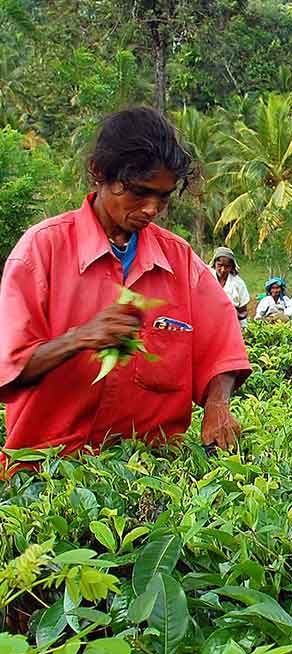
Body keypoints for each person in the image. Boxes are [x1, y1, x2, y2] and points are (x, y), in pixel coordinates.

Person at [0, 107, 251, 456]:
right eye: (138, 192)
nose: (151, 209)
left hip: (148, 475)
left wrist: (218, 404)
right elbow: (7, 368)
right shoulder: (41, 251)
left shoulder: (179, 261)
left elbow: (222, 347)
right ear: (100, 174)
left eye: (163, 197)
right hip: (48, 474)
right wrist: (80, 337)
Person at [209, 247, 250, 330]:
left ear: (232, 266)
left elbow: (244, 311)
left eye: (227, 266)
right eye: (220, 265)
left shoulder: (238, 283)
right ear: (215, 263)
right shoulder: (207, 277)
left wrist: (233, 313)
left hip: (231, 326)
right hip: (209, 323)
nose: (223, 270)